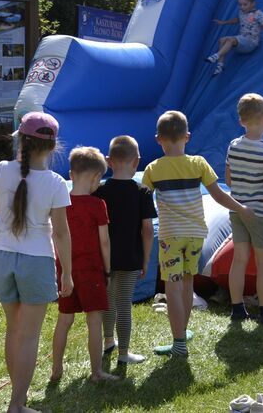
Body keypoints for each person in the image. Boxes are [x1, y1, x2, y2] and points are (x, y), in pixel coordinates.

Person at [141, 110, 255, 357]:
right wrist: (241, 207)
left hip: (170, 235)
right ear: (188, 136)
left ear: (158, 139)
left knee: (172, 285)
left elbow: (141, 199)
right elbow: (219, 194)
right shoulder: (198, 164)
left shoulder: (153, 169)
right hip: (195, 234)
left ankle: (179, 340)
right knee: (188, 281)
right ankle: (182, 331)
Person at [0, 112, 73, 413]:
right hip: (36, 260)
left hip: (1, 255)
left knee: (14, 330)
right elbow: (61, 233)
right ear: (53, 147)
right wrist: (68, 275)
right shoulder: (56, 183)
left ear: (21, 142)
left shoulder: (2, 169)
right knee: (28, 336)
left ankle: (17, 399)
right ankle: (17, 405)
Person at [49, 147, 118, 384]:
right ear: (97, 177)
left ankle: (56, 369)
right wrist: (107, 270)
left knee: (64, 320)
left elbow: (55, 235)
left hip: (65, 270)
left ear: (71, 173)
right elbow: (105, 242)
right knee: (94, 320)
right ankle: (97, 372)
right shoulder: (98, 205)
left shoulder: (59, 204)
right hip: (91, 270)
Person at [94, 135, 156, 366]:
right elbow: (147, 230)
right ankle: (123, 353)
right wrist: (146, 258)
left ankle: (108, 341)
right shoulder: (143, 192)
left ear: (109, 160)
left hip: (104, 257)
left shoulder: (99, 191)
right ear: (137, 160)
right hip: (131, 256)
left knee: (108, 301)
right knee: (124, 304)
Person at [226, 94, 263, 323]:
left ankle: (237, 308)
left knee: (239, 259)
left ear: (241, 121)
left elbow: (229, 180)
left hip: (237, 210)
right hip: (260, 214)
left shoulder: (233, 146)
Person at [205, 0, 263, 77]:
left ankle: (216, 56)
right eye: (240, 5)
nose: (242, 7)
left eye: (245, 4)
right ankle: (220, 65)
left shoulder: (259, 14)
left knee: (230, 40)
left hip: (251, 42)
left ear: (253, 3)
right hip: (242, 40)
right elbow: (237, 20)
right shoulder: (242, 12)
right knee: (222, 40)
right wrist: (224, 22)